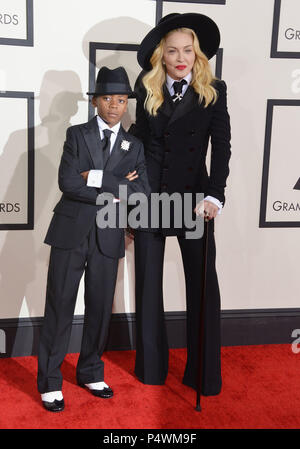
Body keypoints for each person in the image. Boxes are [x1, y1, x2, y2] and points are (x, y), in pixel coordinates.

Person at [37, 66, 150, 412]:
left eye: (120, 100)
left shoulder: (135, 145)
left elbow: (141, 192)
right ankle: (50, 382)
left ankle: (90, 370)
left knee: (100, 307)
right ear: (95, 101)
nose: (114, 106)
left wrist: (96, 177)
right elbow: (68, 183)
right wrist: (117, 185)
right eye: (107, 99)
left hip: (109, 235)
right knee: (60, 307)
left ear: (127, 102)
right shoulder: (77, 135)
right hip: (70, 232)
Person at [131, 13, 231, 395]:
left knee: (204, 288)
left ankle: (203, 374)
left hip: (194, 200)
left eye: (187, 50)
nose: (180, 57)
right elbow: (139, 140)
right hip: (151, 198)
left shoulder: (214, 89)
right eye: (172, 50)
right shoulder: (146, 88)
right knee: (148, 288)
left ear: (197, 53)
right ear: (162, 55)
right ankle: (151, 370)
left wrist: (214, 195)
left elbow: (221, 146)